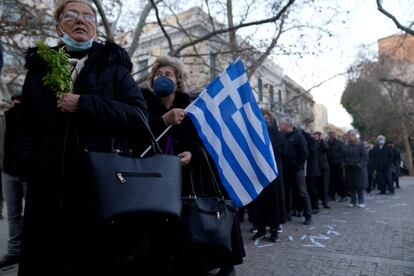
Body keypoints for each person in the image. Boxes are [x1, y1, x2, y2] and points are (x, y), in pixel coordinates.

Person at [14, 1, 148, 275]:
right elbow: (25, 125)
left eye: (88, 16)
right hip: (47, 188)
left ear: (95, 29)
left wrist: (86, 103)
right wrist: (29, 166)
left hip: (99, 186)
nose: (80, 20)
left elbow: (138, 116)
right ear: (57, 26)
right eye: (71, 15)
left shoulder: (114, 67)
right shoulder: (39, 69)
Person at [142, 56, 244, 276]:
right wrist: (164, 120)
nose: (162, 78)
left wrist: (194, 154)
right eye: (158, 75)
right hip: (156, 185)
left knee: (190, 241)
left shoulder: (192, 107)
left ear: (178, 80)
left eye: (167, 74)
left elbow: (209, 144)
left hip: (188, 184)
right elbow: (137, 137)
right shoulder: (144, 105)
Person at [250, 109, 287, 242]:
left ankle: (274, 230)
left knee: (274, 203)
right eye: (263, 117)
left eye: (267, 117)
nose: (265, 119)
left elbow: (281, 150)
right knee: (259, 203)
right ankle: (260, 229)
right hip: (258, 174)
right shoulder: (254, 133)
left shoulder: (277, 134)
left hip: (273, 175)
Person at [0, 95, 26, 269]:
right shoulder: (3, 119)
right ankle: (14, 251)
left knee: (26, 215)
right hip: (8, 172)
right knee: (13, 216)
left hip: (27, 173)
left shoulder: (33, 118)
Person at [279, 117, 312, 225]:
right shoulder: (282, 136)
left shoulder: (298, 136)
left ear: (288, 125)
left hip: (296, 169)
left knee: (302, 192)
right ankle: (287, 213)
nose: (280, 125)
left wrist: (299, 165)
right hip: (285, 169)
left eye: (281, 124)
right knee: (286, 192)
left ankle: (308, 215)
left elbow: (304, 152)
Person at [343, 130, 368, 208]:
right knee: (351, 185)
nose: (351, 136)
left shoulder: (360, 145)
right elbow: (343, 156)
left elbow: (365, 157)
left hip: (359, 169)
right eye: (349, 135)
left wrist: (361, 164)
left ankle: (361, 201)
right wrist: (344, 164)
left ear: (356, 136)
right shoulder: (346, 146)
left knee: (360, 186)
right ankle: (352, 201)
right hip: (349, 168)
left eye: (352, 135)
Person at [327, 129, 346, 202]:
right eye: (330, 133)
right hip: (329, 164)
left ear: (335, 134)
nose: (331, 135)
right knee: (331, 180)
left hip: (338, 164)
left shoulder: (339, 143)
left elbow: (343, 153)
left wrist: (339, 161)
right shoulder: (327, 142)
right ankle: (332, 195)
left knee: (340, 180)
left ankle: (343, 195)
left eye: (333, 133)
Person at [313, 131, 330, 209]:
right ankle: (317, 201)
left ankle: (325, 201)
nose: (316, 137)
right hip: (316, 167)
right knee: (317, 186)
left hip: (324, 167)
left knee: (324, 185)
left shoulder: (323, 143)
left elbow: (326, 148)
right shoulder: (313, 143)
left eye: (317, 136)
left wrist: (322, 140)